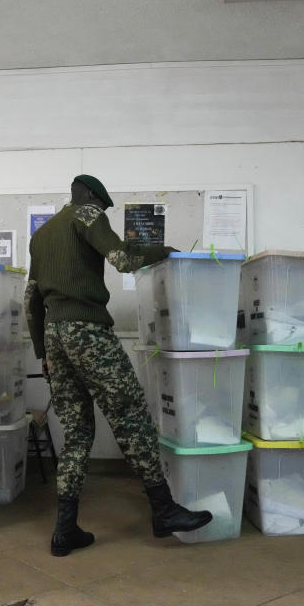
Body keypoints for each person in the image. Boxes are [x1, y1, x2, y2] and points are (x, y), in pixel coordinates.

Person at [25, 174, 213, 556]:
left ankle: (65, 531)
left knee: (76, 434)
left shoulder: (41, 236)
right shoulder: (88, 213)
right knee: (131, 415)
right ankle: (163, 511)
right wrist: (163, 251)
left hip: (55, 337)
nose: (103, 212)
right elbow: (123, 259)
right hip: (87, 331)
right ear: (92, 197)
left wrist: (43, 352)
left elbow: (31, 300)